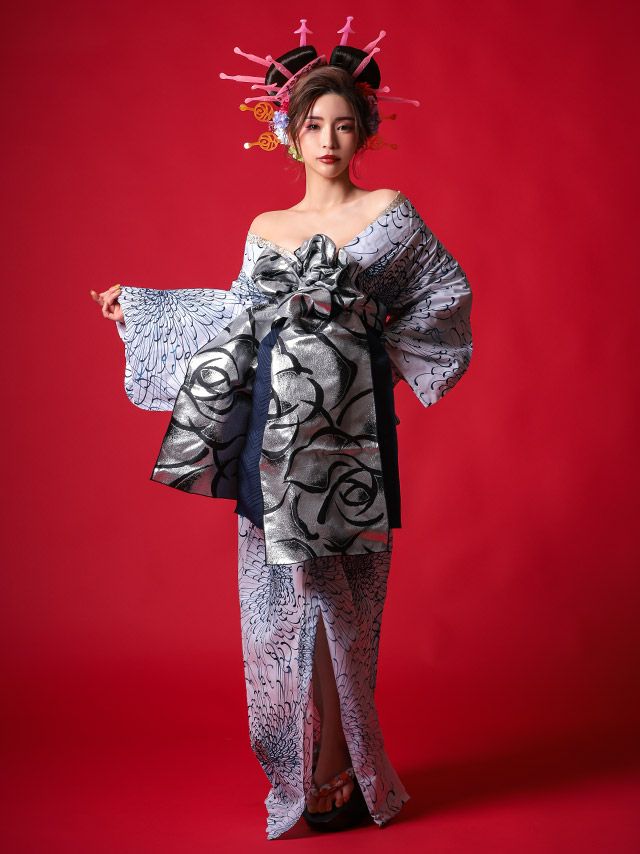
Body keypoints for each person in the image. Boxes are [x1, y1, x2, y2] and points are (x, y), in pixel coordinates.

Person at [90, 18, 472, 840]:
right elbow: (235, 319)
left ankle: (346, 763)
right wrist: (143, 309)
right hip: (275, 435)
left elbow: (444, 297)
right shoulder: (265, 228)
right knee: (290, 599)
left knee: (345, 600)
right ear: (288, 135)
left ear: (364, 131)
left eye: (344, 124)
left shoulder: (390, 214)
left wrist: (372, 348)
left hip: (351, 434)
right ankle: (318, 767)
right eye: (313, 125)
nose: (328, 140)